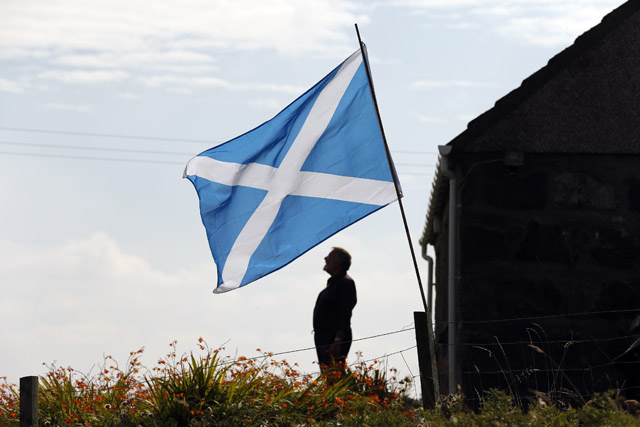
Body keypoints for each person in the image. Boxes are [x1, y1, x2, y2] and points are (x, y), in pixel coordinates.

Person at [312, 247, 357, 371]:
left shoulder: (346, 283)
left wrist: (338, 341)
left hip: (333, 339)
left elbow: (345, 313)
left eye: (330, 256)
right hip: (325, 337)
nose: (325, 259)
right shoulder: (334, 284)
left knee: (334, 376)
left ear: (338, 262)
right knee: (328, 376)